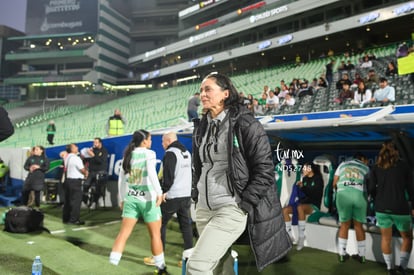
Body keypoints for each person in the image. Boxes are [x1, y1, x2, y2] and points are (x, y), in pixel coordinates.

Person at [188, 72, 291, 274]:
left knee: (197, 266)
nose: (203, 94)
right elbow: (200, 166)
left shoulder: (246, 124)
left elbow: (265, 171)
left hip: (231, 208)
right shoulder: (201, 126)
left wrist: (244, 204)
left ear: (225, 93)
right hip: (203, 209)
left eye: (208, 89)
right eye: (201, 90)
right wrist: (196, 194)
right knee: (218, 266)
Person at [109, 130, 167, 274]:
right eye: (150, 139)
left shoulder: (128, 155)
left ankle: (110, 266)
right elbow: (152, 175)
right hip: (148, 201)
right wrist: (159, 193)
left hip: (131, 199)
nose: (151, 142)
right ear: (145, 141)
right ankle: (161, 268)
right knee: (155, 235)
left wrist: (121, 198)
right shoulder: (150, 154)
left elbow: (121, 180)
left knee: (123, 234)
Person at [144, 131, 193, 266]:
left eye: (162, 141)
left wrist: (164, 191)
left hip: (172, 196)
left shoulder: (171, 153)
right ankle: (188, 258)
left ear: (168, 140)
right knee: (186, 226)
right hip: (185, 195)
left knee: (159, 224)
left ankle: (158, 257)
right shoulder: (186, 153)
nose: (161, 144)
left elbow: (168, 176)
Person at [368, 141, 414, 274]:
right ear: (397, 151)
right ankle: (403, 268)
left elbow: (371, 188)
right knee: (407, 238)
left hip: (381, 208)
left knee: (386, 239)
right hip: (400, 207)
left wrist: (377, 198)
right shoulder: (404, 166)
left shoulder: (376, 167)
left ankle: (390, 268)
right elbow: (411, 188)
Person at [333, 153, 370, 263]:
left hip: (343, 194)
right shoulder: (366, 168)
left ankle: (342, 255)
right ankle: (362, 256)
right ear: (362, 159)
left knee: (344, 225)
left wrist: (338, 192)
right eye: (366, 160)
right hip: (360, 195)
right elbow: (370, 184)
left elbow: (334, 183)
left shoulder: (343, 164)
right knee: (359, 226)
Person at [283, 162, 324, 251]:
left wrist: (303, 187)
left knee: (299, 207)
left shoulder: (318, 179)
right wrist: (300, 187)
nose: (303, 170)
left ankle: (301, 237)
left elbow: (314, 194)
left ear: (310, 169)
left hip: (314, 206)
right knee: (285, 210)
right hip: (302, 204)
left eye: (305, 168)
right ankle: (289, 236)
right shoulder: (304, 179)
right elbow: (304, 194)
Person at [62, 143, 88, 225]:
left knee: (68, 201)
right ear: (72, 149)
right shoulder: (76, 158)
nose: (77, 147)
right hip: (75, 182)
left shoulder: (67, 158)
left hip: (68, 181)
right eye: (75, 147)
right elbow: (82, 169)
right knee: (76, 201)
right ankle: (74, 219)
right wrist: (86, 173)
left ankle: (66, 218)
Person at [82, 138, 108, 209]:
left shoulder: (104, 151)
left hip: (100, 172)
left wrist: (93, 155)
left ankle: (94, 202)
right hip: (91, 172)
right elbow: (86, 161)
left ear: (100, 143)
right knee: (85, 185)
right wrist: (85, 155)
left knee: (97, 187)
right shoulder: (92, 150)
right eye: (94, 142)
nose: (94, 144)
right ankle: (84, 201)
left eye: (96, 142)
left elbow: (100, 162)